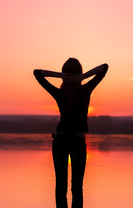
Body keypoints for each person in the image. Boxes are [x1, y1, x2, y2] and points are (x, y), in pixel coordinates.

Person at [33, 58, 108, 208]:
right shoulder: (84, 90)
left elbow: (37, 74)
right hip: (72, 142)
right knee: (75, 189)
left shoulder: (66, 92)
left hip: (64, 142)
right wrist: (79, 77)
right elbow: (104, 68)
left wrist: (65, 76)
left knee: (62, 188)